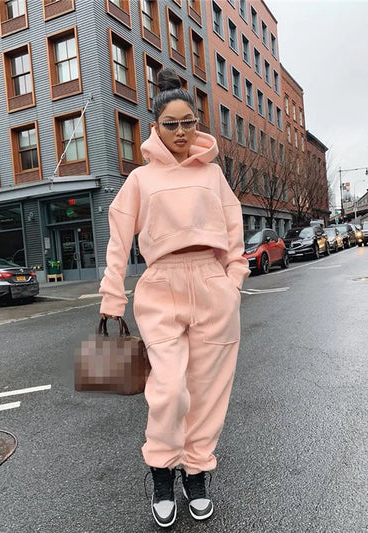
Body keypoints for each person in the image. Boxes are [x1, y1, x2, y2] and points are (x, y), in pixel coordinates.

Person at [99, 69, 250, 528]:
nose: (181, 132)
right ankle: (162, 472)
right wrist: (112, 296)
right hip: (161, 284)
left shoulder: (213, 175)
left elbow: (234, 230)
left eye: (188, 123)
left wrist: (233, 279)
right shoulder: (141, 179)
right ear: (156, 127)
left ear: (196, 125)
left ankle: (196, 474)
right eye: (171, 124)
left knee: (207, 393)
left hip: (211, 284)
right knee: (168, 390)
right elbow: (119, 239)